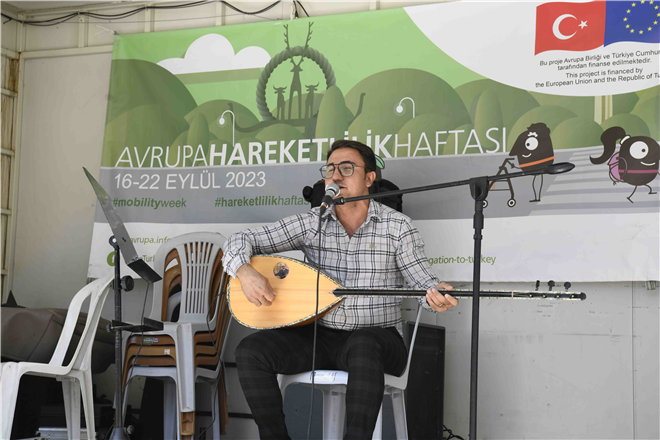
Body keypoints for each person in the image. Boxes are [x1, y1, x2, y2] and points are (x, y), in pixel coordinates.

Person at [222, 140, 458, 439]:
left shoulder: (398, 227)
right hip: (320, 336)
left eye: (346, 168)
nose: (335, 176)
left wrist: (435, 294)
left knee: (364, 343)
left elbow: (422, 280)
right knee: (251, 351)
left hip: (379, 340)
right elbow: (239, 239)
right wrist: (244, 271)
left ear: (369, 178)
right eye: (330, 169)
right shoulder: (314, 222)